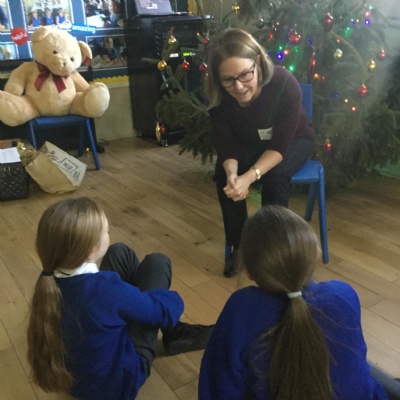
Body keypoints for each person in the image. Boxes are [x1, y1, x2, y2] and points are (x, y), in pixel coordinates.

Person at [27, 197, 213, 400]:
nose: (109, 234)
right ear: (90, 251)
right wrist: (174, 298)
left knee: (120, 251)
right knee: (158, 262)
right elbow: (164, 312)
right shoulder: (104, 290)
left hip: (74, 383)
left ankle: (164, 326)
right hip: (119, 385)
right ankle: (175, 333)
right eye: (106, 231)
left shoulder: (47, 280)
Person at [198, 205, 390, 400]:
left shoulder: (241, 309)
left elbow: (216, 389)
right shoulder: (343, 295)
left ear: (248, 270)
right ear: (314, 252)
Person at [205, 28, 316, 277]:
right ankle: (240, 246)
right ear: (218, 79)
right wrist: (233, 175)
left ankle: (274, 249)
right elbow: (227, 146)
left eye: (245, 75)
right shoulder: (219, 98)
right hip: (250, 141)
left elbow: (279, 147)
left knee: (276, 176)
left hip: (295, 139)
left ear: (257, 62)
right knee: (224, 175)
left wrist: (249, 177)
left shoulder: (283, 83)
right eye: (228, 80)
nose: (238, 86)